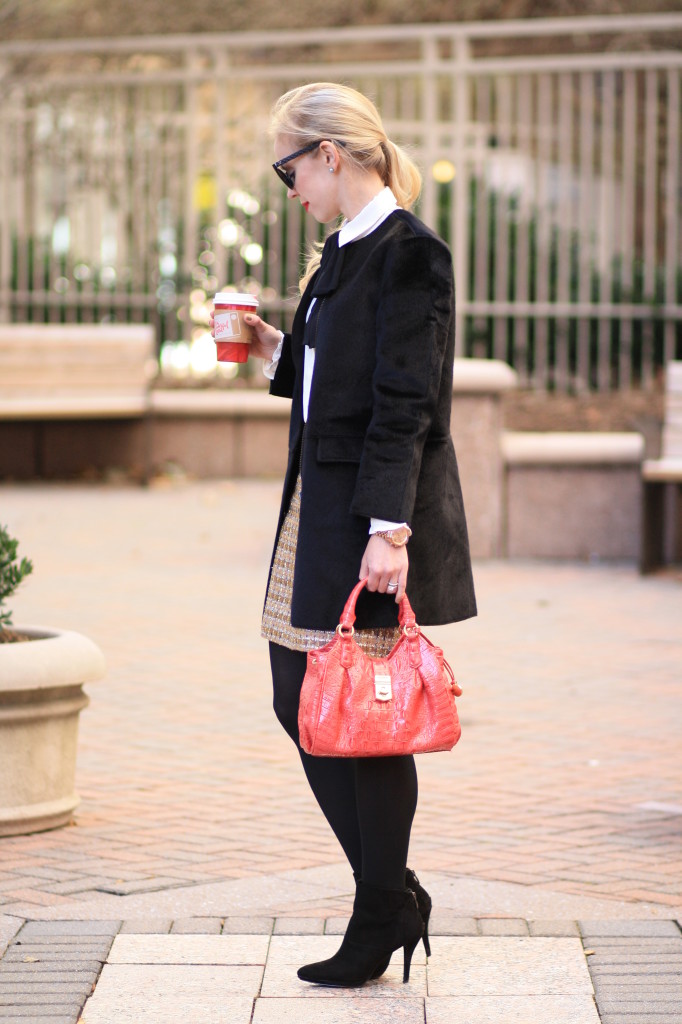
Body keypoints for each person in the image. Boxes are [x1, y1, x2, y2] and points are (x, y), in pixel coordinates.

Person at [211, 82, 476, 987]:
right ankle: (391, 895)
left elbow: (405, 403)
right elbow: (339, 377)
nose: (287, 185)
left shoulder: (410, 254)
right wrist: (275, 348)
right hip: (318, 510)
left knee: (366, 718)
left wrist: (390, 533)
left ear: (330, 153)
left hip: (368, 518)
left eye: (289, 166)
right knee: (303, 703)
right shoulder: (342, 250)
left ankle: (379, 909)